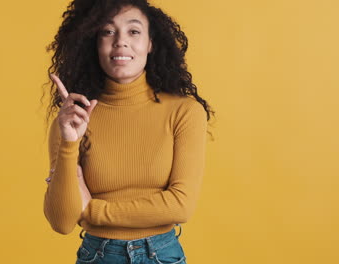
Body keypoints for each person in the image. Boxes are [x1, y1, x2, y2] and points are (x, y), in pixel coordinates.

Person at [42, 0, 215, 263]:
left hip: (161, 256)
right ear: (94, 43)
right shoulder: (72, 121)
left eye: (133, 31)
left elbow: (181, 205)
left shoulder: (184, 112)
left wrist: (91, 211)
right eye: (107, 31)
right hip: (96, 256)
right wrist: (69, 144)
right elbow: (63, 222)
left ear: (150, 43)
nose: (120, 41)